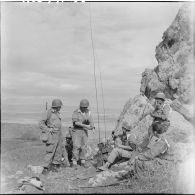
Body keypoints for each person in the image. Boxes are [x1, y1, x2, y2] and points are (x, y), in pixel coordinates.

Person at [126, 92, 171, 176]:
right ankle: (131, 163)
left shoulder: (166, 106)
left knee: (151, 145)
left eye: (158, 100)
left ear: (161, 100)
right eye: (156, 100)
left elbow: (165, 117)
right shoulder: (158, 106)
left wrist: (156, 114)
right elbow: (152, 114)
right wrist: (156, 112)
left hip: (160, 127)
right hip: (155, 127)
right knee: (145, 144)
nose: (156, 101)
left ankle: (136, 161)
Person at [39, 99, 64, 175]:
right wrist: (47, 129)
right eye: (59, 106)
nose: (60, 107)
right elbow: (41, 123)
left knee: (58, 150)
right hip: (52, 135)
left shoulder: (57, 113)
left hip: (59, 133)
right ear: (56, 106)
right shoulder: (48, 112)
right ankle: (45, 168)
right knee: (50, 151)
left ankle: (55, 166)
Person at [71, 99, 95, 168]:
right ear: (81, 106)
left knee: (84, 146)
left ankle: (83, 161)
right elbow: (75, 122)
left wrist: (92, 127)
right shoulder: (76, 112)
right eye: (83, 107)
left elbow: (91, 120)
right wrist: (85, 126)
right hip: (77, 130)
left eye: (86, 107)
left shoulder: (88, 112)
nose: (85, 108)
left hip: (84, 131)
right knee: (76, 146)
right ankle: (74, 162)